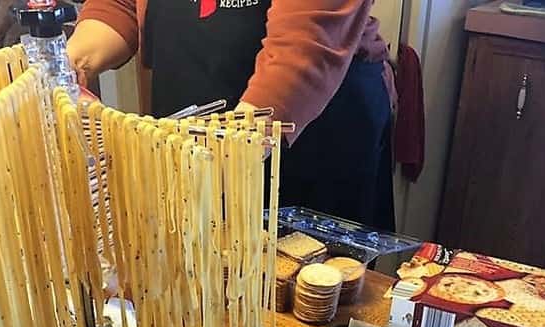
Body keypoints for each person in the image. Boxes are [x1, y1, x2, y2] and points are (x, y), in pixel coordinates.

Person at [67, 0, 396, 230]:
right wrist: (69, 67)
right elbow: (122, 4)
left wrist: (217, 160)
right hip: (195, 116)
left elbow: (302, 48)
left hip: (309, 132)